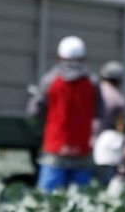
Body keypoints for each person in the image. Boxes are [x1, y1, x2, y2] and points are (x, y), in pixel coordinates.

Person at [26, 36, 103, 193]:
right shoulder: (93, 83)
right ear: (84, 58)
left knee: (45, 202)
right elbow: (100, 113)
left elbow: (33, 111)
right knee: (83, 204)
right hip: (82, 151)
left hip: (55, 150)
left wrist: (41, 129)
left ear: (60, 57)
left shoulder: (50, 80)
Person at [93, 61, 125, 138]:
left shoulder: (92, 90)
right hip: (103, 143)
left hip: (84, 140)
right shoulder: (119, 99)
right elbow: (120, 128)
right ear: (119, 80)